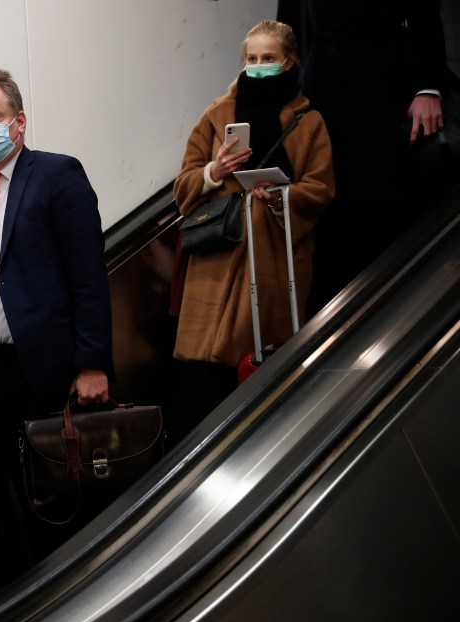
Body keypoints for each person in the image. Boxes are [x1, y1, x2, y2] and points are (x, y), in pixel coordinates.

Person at [0, 68, 115, 587]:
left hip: (44, 372)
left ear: (18, 122)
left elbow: (88, 274)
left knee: (54, 503)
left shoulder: (58, 175)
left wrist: (92, 362)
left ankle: (70, 599)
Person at [173, 20, 335, 417]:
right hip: (216, 259)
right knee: (206, 382)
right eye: (251, 58)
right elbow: (183, 185)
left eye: (268, 58)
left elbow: (321, 189)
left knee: (262, 372)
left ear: (289, 61)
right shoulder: (216, 115)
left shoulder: (308, 121)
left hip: (274, 264)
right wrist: (215, 171)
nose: (258, 65)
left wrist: (280, 195)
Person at [275, 0, 450, 314]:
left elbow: (424, 14)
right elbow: (287, 29)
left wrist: (428, 88)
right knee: (331, 206)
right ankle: (338, 324)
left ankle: (402, 311)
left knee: (384, 201)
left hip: (382, 82)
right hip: (323, 86)